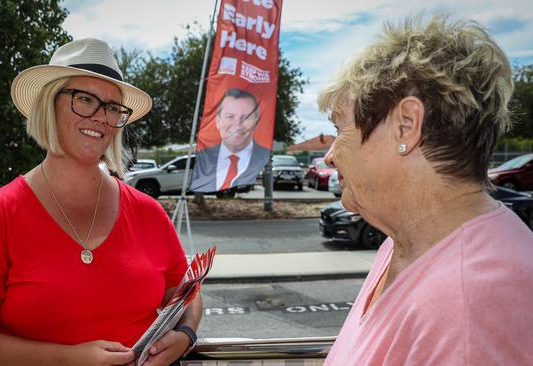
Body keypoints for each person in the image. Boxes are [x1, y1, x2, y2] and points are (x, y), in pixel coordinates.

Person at [0, 38, 202, 366]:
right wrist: (67, 358)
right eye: (85, 99)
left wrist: (186, 334)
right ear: (49, 103)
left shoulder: (148, 212)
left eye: (113, 107)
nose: (101, 117)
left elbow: (187, 293)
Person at [318, 17, 533, 365]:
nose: (329, 156)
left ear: (406, 125)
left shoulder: (469, 303)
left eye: (340, 126)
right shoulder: (403, 244)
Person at [191, 88, 271, 192]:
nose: (237, 125)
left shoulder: (264, 156)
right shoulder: (205, 156)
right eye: (230, 117)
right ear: (217, 121)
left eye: (246, 117)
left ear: (256, 121)